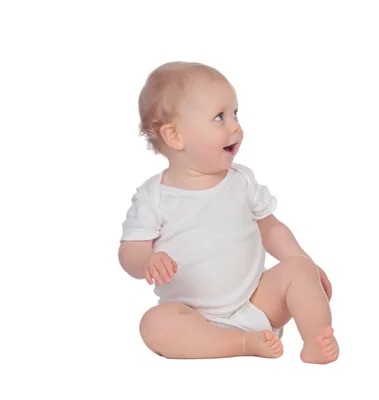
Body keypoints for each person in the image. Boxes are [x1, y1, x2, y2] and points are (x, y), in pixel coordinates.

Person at [118, 61, 339, 364]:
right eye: (220, 117)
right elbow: (129, 253)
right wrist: (147, 261)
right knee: (154, 324)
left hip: (257, 301)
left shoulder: (242, 180)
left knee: (300, 267)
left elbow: (271, 229)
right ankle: (242, 343)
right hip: (194, 317)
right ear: (175, 136)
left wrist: (306, 263)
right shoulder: (154, 197)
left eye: (235, 113)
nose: (235, 126)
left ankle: (316, 340)